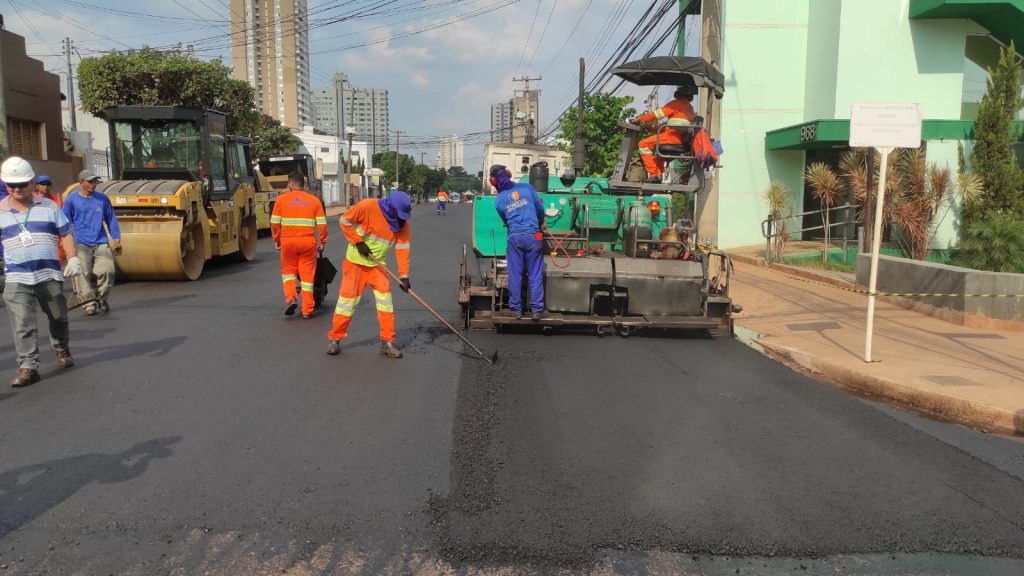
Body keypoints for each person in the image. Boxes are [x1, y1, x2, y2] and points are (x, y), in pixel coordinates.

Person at [0, 156, 83, 387]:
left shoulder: (49, 206)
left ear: (32, 182)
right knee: (22, 323)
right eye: (11, 184)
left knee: (58, 316)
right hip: (17, 277)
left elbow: (65, 233)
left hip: (48, 275)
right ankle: (28, 366)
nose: (16, 189)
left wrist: (73, 258)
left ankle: (61, 347)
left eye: (21, 184)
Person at [326, 191, 412, 358]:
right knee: (347, 303)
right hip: (355, 263)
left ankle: (388, 343)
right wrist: (358, 242)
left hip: (378, 266)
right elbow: (344, 221)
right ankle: (335, 339)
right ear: (391, 208)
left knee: (386, 304)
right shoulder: (367, 206)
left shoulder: (402, 225)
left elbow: (402, 250)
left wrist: (404, 276)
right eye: (399, 215)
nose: (401, 220)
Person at [62, 170, 123, 316]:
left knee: (108, 270)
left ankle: (101, 298)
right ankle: (88, 303)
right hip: (80, 243)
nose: (93, 184)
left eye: (95, 181)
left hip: (101, 242)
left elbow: (111, 219)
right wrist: (67, 244)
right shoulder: (71, 200)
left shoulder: (102, 199)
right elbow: (65, 222)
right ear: (81, 182)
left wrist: (116, 239)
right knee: (83, 274)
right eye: (90, 181)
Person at [491, 164, 546, 320]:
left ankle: (516, 310)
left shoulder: (499, 200)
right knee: (535, 274)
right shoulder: (527, 188)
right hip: (534, 236)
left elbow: (506, 222)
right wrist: (539, 223)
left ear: (493, 181)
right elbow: (540, 210)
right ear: (508, 174)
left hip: (514, 238)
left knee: (515, 275)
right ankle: (536, 310)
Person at [271, 170, 328, 319]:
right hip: (308, 243)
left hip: (288, 242)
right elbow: (322, 225)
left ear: (290, 183)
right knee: (307, 277)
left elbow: (275, 224)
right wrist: (322, 241)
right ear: (303, 184)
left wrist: (277, 240)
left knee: (289, 273)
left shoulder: (281, 200)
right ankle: (307, 310)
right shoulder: (314, 200)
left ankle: (291, 298)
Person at [633, 86, 697, 183]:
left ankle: (654, 175)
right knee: (657, 155)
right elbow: (672, 124)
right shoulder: (689, 108)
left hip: (672, 137)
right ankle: (657, 176)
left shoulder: (676, 104)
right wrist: (652, 128)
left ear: (677, 94)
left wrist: (639, 119)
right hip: (681, 138)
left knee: (643, 144)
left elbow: (656, 115)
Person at [34, 175, 65, 262]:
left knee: (57, 261)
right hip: (36, 235)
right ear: (37, 186)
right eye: (42, 184)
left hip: (54, 236)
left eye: (47, 184)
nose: (45, 186)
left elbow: (62, 219)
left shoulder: (57, 199)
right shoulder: (30, 199)